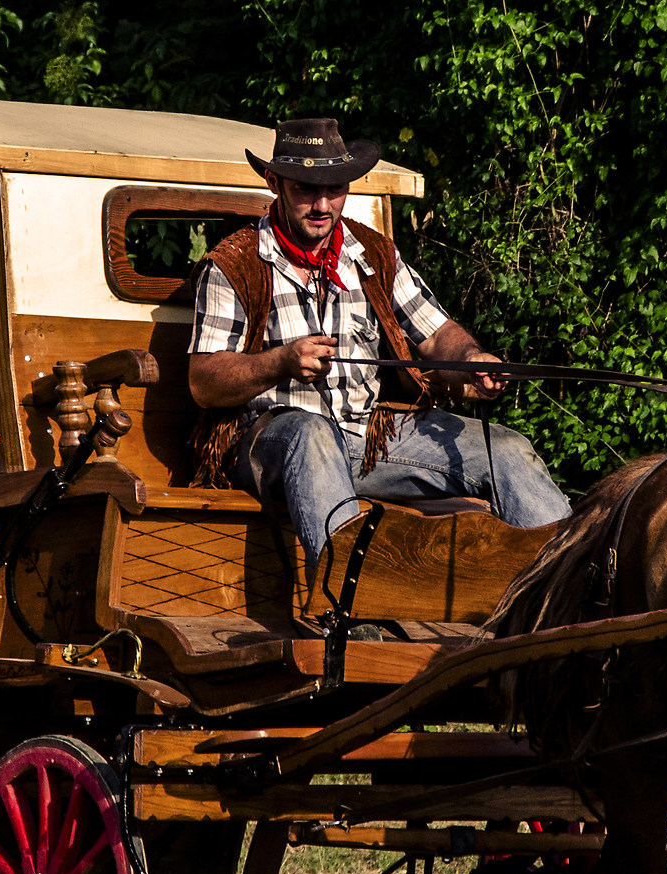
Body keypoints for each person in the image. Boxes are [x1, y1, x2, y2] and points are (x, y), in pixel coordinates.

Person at [187, 116, 571, 558]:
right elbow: (204, 382)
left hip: (371, 438)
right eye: (307, 189)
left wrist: (471, 360)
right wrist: (280, 362)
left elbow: (436, 334)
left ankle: (568, 583)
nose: (322, 204)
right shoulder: (234, 264)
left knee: (508, 449)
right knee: (311, 434)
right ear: (275, 183)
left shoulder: (373, 252)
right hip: (273, 443)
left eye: (335, 188)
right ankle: (347, 596)